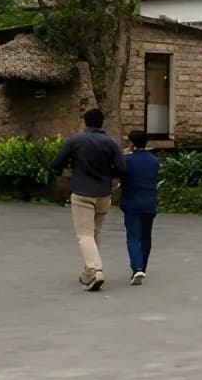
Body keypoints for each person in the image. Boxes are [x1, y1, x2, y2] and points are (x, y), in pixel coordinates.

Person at [52, 109, 126, 291]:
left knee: (84, 235)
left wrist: (61, 173)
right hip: (103, 193)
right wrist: (109, 176)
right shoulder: (111, 143)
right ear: (102, 123)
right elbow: (121, 169)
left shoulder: (75, 141)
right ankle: (87, 273)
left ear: (85, 122)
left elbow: (57, 162)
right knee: (95, 233)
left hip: (82, 192)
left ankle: (95, 269)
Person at [120, 130, 160, 286]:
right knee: (146, 237)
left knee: (133, 237)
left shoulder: (126, 160)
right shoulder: (154, 161)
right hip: (150, 201)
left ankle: (137, 267)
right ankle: (143, 266)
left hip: (132, 201)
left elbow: (121, 175)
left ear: (131, 143)